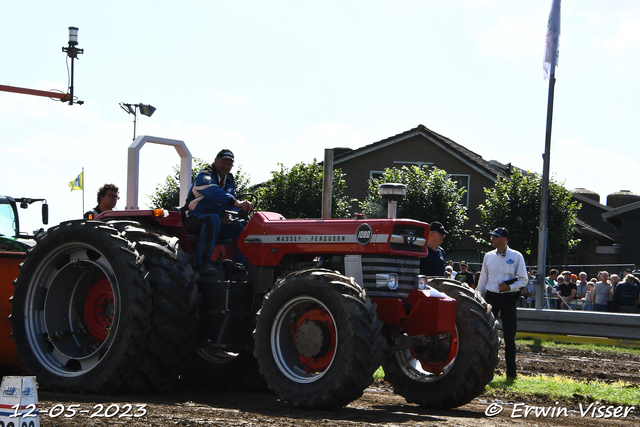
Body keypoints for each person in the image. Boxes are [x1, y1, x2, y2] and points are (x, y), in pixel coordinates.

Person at [180, 149, 254, 277]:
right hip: (193, 218)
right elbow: (215, 192)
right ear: (215, 161)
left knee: (243, 225)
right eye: (223, 162)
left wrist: (229, 215)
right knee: (212, 218)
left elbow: (231, 202)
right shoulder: (204, 176)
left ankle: (238, 267)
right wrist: (236, 203)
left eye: (229, 164)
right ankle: (202, 264)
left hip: (215, 220)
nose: (226, 166)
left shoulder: (229, 180)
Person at [477, 227, 527, 380]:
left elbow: (524, 279)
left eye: (496, 237)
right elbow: (483, 280)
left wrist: (509, 287)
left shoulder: (517, 256)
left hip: (508, 298)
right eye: (492, 236)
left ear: (504, 239)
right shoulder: (488, 256)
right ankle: (484, 370)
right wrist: (478, 297)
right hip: (491, 298)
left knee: (510, 337)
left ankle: (511, 373)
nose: (492, 239)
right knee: (486, 335)